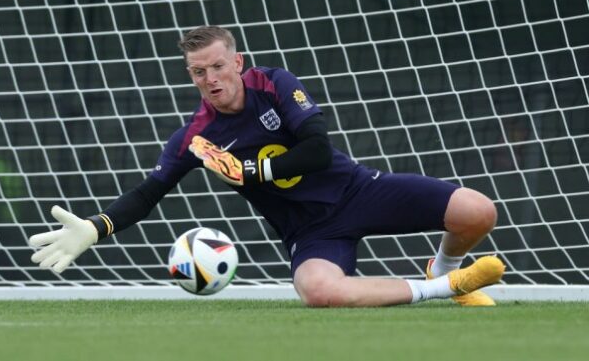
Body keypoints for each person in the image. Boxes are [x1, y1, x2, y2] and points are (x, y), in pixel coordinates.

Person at [29, 25, 504, 307]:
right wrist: (94, 228)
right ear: (190, 75)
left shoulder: (275, 84)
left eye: (217, 67)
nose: (210, 79)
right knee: (318, 292)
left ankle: (441, 267)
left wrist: (249, 171)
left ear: (237, 61)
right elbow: (150, 192)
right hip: (310, 232)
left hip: (360, 191)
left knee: (478, 211)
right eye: (198, 72)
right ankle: (448, 287)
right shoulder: (195, 137)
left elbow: (317, 148)